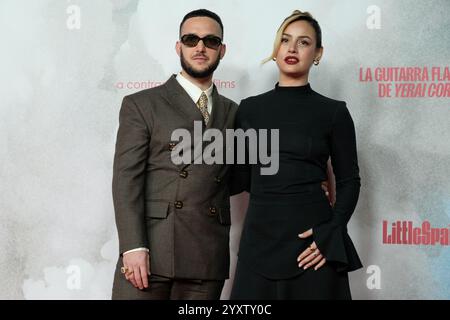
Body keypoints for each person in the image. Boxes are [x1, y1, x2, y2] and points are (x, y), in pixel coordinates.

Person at [230, 10, 363, 300]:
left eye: (303, 42)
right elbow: (242, 178)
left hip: (314, 243)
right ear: (276, 48)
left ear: (317, 53)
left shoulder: (334, 112)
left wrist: (331, 233)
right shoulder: (248, 109)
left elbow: (350, 181)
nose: (292, 48)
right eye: (285, 40)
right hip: (258, 242)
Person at [111, 9, 238, 299]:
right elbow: (125, 180)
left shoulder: (234, 112)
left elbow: (239, 178)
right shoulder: (142, 104)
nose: (201, 47)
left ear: (222, 50)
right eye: (191, 39)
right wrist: (132, 246)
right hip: (150, 254)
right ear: (178, 46)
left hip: (207, 258)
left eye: (211, 41)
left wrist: (309, 180)